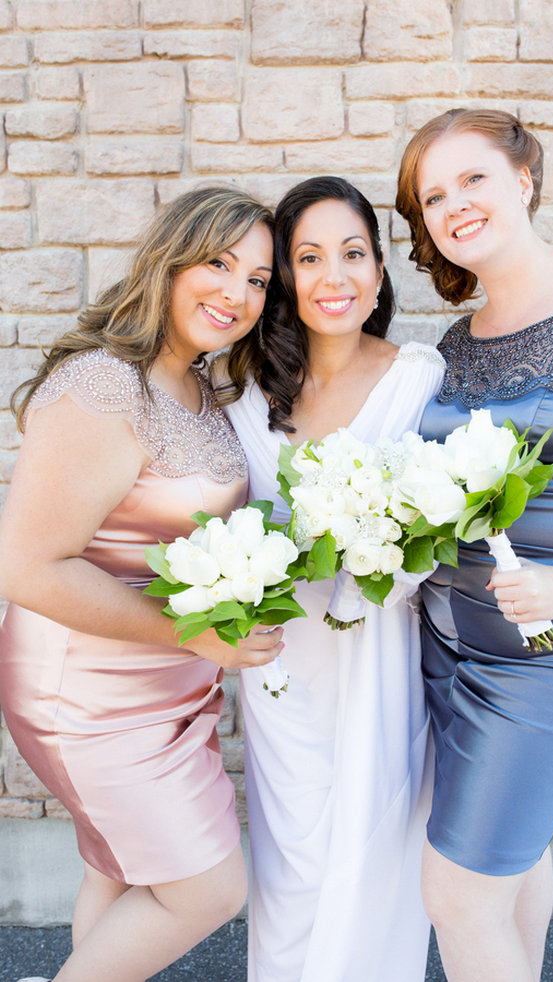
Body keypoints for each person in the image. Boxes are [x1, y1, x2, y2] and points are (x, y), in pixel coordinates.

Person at [395, 107, 553, 982]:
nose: (454, 204)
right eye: (433, 197)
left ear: (522, 180)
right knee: (511, 858)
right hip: (455, 644)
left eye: (471, 178)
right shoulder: (452, 347)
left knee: (457, 891)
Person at [0, 186, 284, 982]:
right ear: (171, 258)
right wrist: (187, 635)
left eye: (259, 280)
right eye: (220, 264)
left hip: (174, 684)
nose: (237, 294)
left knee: (121, 872)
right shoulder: (103, 385)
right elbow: (25, 567)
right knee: (205, 892)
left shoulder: (202, 389)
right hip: (85, 691)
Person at [221, 176, 445, 982]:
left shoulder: (419, 377)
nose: (333, 277)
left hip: (383, 650)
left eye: (352, 254)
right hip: (283, 664)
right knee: (291, 862)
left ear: (380, 271)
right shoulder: (246, 395)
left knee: (378, 846)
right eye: (308, 257)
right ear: (283, 275)